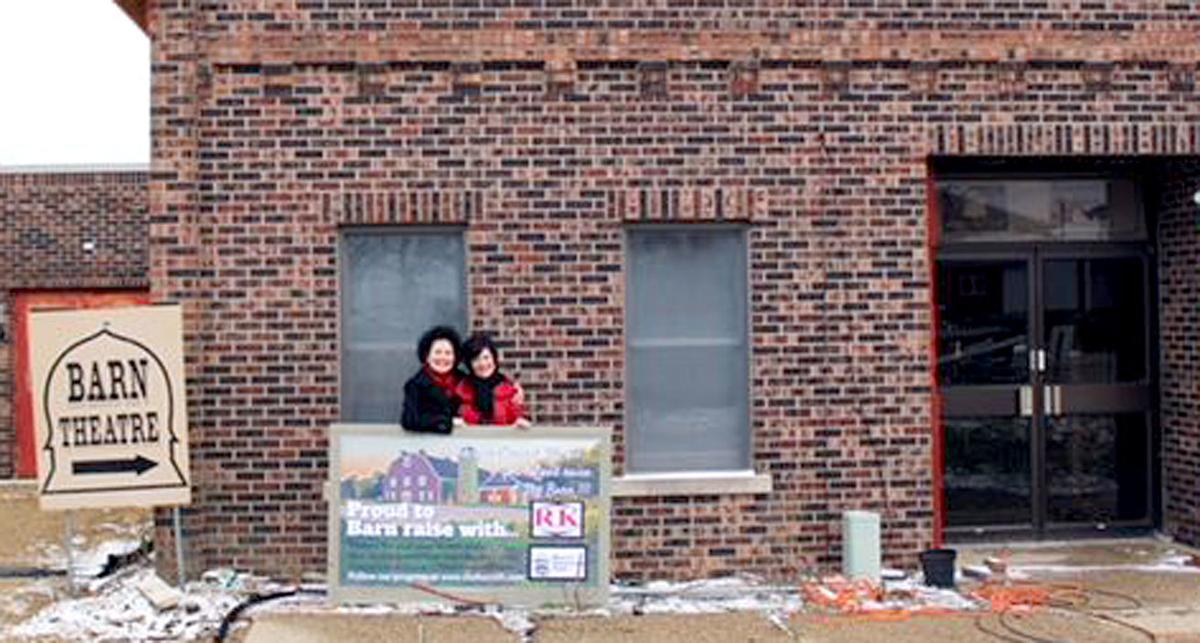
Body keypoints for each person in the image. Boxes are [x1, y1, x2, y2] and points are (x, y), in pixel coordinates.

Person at [456, 333, 531, 428]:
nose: (482, 363)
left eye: (486, 357)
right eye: (476, 359)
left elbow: (518, 417)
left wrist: (520, 423)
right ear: (469, 364)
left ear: (494, 359)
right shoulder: (460, 391)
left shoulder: (510, 390)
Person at [400, 326, 464, 434]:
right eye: (438, 352)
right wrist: (446, 422)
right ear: (427, 356)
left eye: (448, 353)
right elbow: (410, 420)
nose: (443, 357)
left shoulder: (464, 380)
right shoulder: (415, 385)